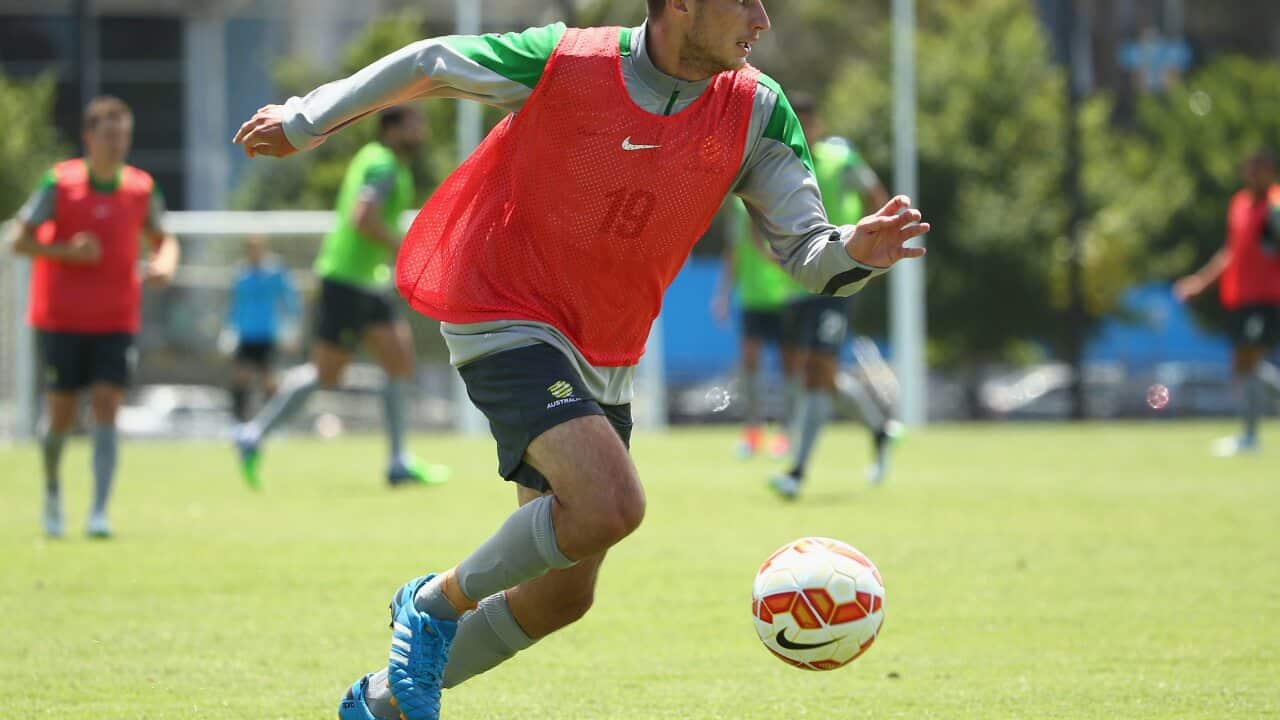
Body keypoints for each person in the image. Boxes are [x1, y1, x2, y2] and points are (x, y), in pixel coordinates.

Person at [233, 2, 928, 718]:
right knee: (612, 504)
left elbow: (807, 253)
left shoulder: (758, 108)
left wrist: (855, 252)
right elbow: (429, 61)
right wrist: (305, 118)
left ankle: (379, 706)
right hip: (503, 308)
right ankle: (432, 603)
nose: (762, 20)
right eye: (743, 0)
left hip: (607, 352)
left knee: (562, 595)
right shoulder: (566, 59)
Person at [232, 106, 448, 490]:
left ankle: (398, 462)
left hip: (368, 281)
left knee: (399, 360)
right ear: (393, 128)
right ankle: (253, 434)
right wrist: (406, 246)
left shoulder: (381, 161)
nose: (421, 130)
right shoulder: (382, 164)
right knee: (326, 374)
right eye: (415, 123)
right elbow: (363, 217)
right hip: (345, 280)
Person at [6, 95, 179, 539]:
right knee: (61, 416)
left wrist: (164, 263)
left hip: (116, 319)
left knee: (107, 406)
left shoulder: (141, 188)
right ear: (89, 137)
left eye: (123, 135)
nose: (118, 144)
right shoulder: (59, 184)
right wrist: (66, 252)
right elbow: (17, 241)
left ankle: (99, 511)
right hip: (61, 319)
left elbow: (164, 239)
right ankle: (51, 492)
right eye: (109, 135)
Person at [770, 94, 899, 499]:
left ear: (819, 125)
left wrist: (873, 254)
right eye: (799, 124)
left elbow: (878, 197)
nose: (805, 131)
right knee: (817, 376)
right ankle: (880, 429)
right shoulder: (782, 161)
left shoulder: (842, 158)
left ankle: (796, 472)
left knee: (815, 372)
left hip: (837, 278)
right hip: (797, 282)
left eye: (810, 123)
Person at [1175, 149, 1280, 456]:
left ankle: (1250, 437)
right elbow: (1231, 252)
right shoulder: (1240, 204)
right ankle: (1249, 435)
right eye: (1251, 168)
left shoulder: (1275, 205)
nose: (1256, 174)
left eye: (1262, 168)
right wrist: (1200, 282)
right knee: (1244, 366)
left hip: (1266, 297)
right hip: (1240, 297)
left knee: (1249, 362)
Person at [712, 197, 803, 459]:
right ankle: (753, 432)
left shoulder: (781, 200)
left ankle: (787, 433)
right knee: (750, 365)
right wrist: (723, 293)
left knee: (789, 367)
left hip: (785, 296)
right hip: (751, 297)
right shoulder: (740, 208)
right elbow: (733, 251)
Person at [224, 236, 301, 422]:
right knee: (240, 377)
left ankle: (272, 422)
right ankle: (238, 422)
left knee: (270, 382)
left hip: (267, 334)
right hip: (245, 334)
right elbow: (235, 305)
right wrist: (229, 329)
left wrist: (292, 326)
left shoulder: (275, 272)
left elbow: (290, 299)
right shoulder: (241, 275)